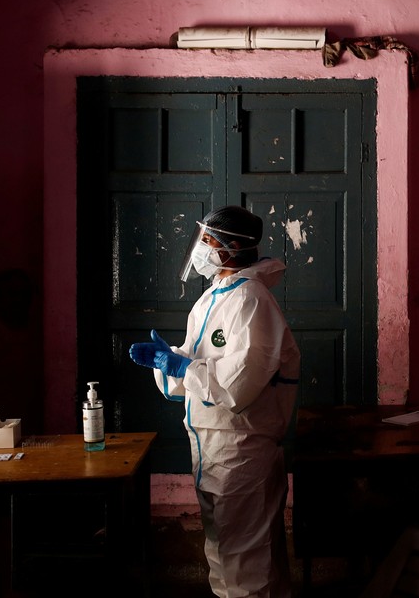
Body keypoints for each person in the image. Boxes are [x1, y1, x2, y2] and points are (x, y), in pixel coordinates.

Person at [129, 205, 301, 598]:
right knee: (224, 555)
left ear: (234, 247)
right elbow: (201, 368)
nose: (200, 249)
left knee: (248, 564)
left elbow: (238, 385)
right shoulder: (213, 297)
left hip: (242, 450)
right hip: (213, 447)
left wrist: (181, 367)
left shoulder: (251, 300)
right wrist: (171, 361)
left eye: (208, 240)